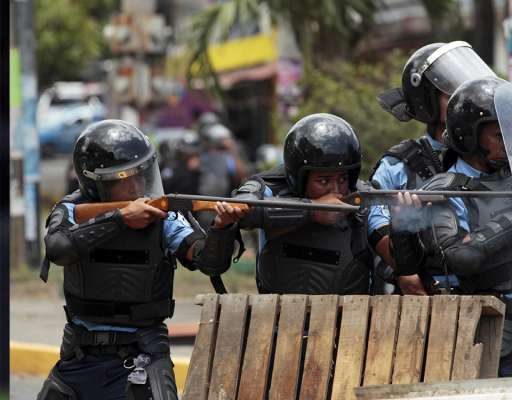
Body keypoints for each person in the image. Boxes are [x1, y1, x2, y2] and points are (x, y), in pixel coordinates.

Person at [37, 120, 232, 400]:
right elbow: (58, 248)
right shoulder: (71, 209)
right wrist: (119, 219)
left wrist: (222, 228)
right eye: (124, 178)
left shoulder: (164, 214)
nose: (137, 184)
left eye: (141, 173)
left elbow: (208, 261)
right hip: (79, 358)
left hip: (143, 355)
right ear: (97, 185)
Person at [390, 77, 512, 377]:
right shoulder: (447, 188)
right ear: (468, 135)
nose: (509, 142)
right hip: (500, 341)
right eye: (500, 135)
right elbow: (459, 257)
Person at [370, 41, 496, 295]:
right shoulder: (400, 163)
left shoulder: (494, 154)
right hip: (427, 296)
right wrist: (406, 272)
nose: (465, 100)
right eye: (452, 94)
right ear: (426, 100)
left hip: (493, 288)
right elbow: (375, 221)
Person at [205, 113, 374, 295]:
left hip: (352, 318)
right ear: (299, 177)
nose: (336, 189)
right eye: (323, 181)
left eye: (342, 178)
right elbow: (245, 208)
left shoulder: (364, 196)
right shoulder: (270, 186)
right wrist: (313, 210)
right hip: (278, 317)